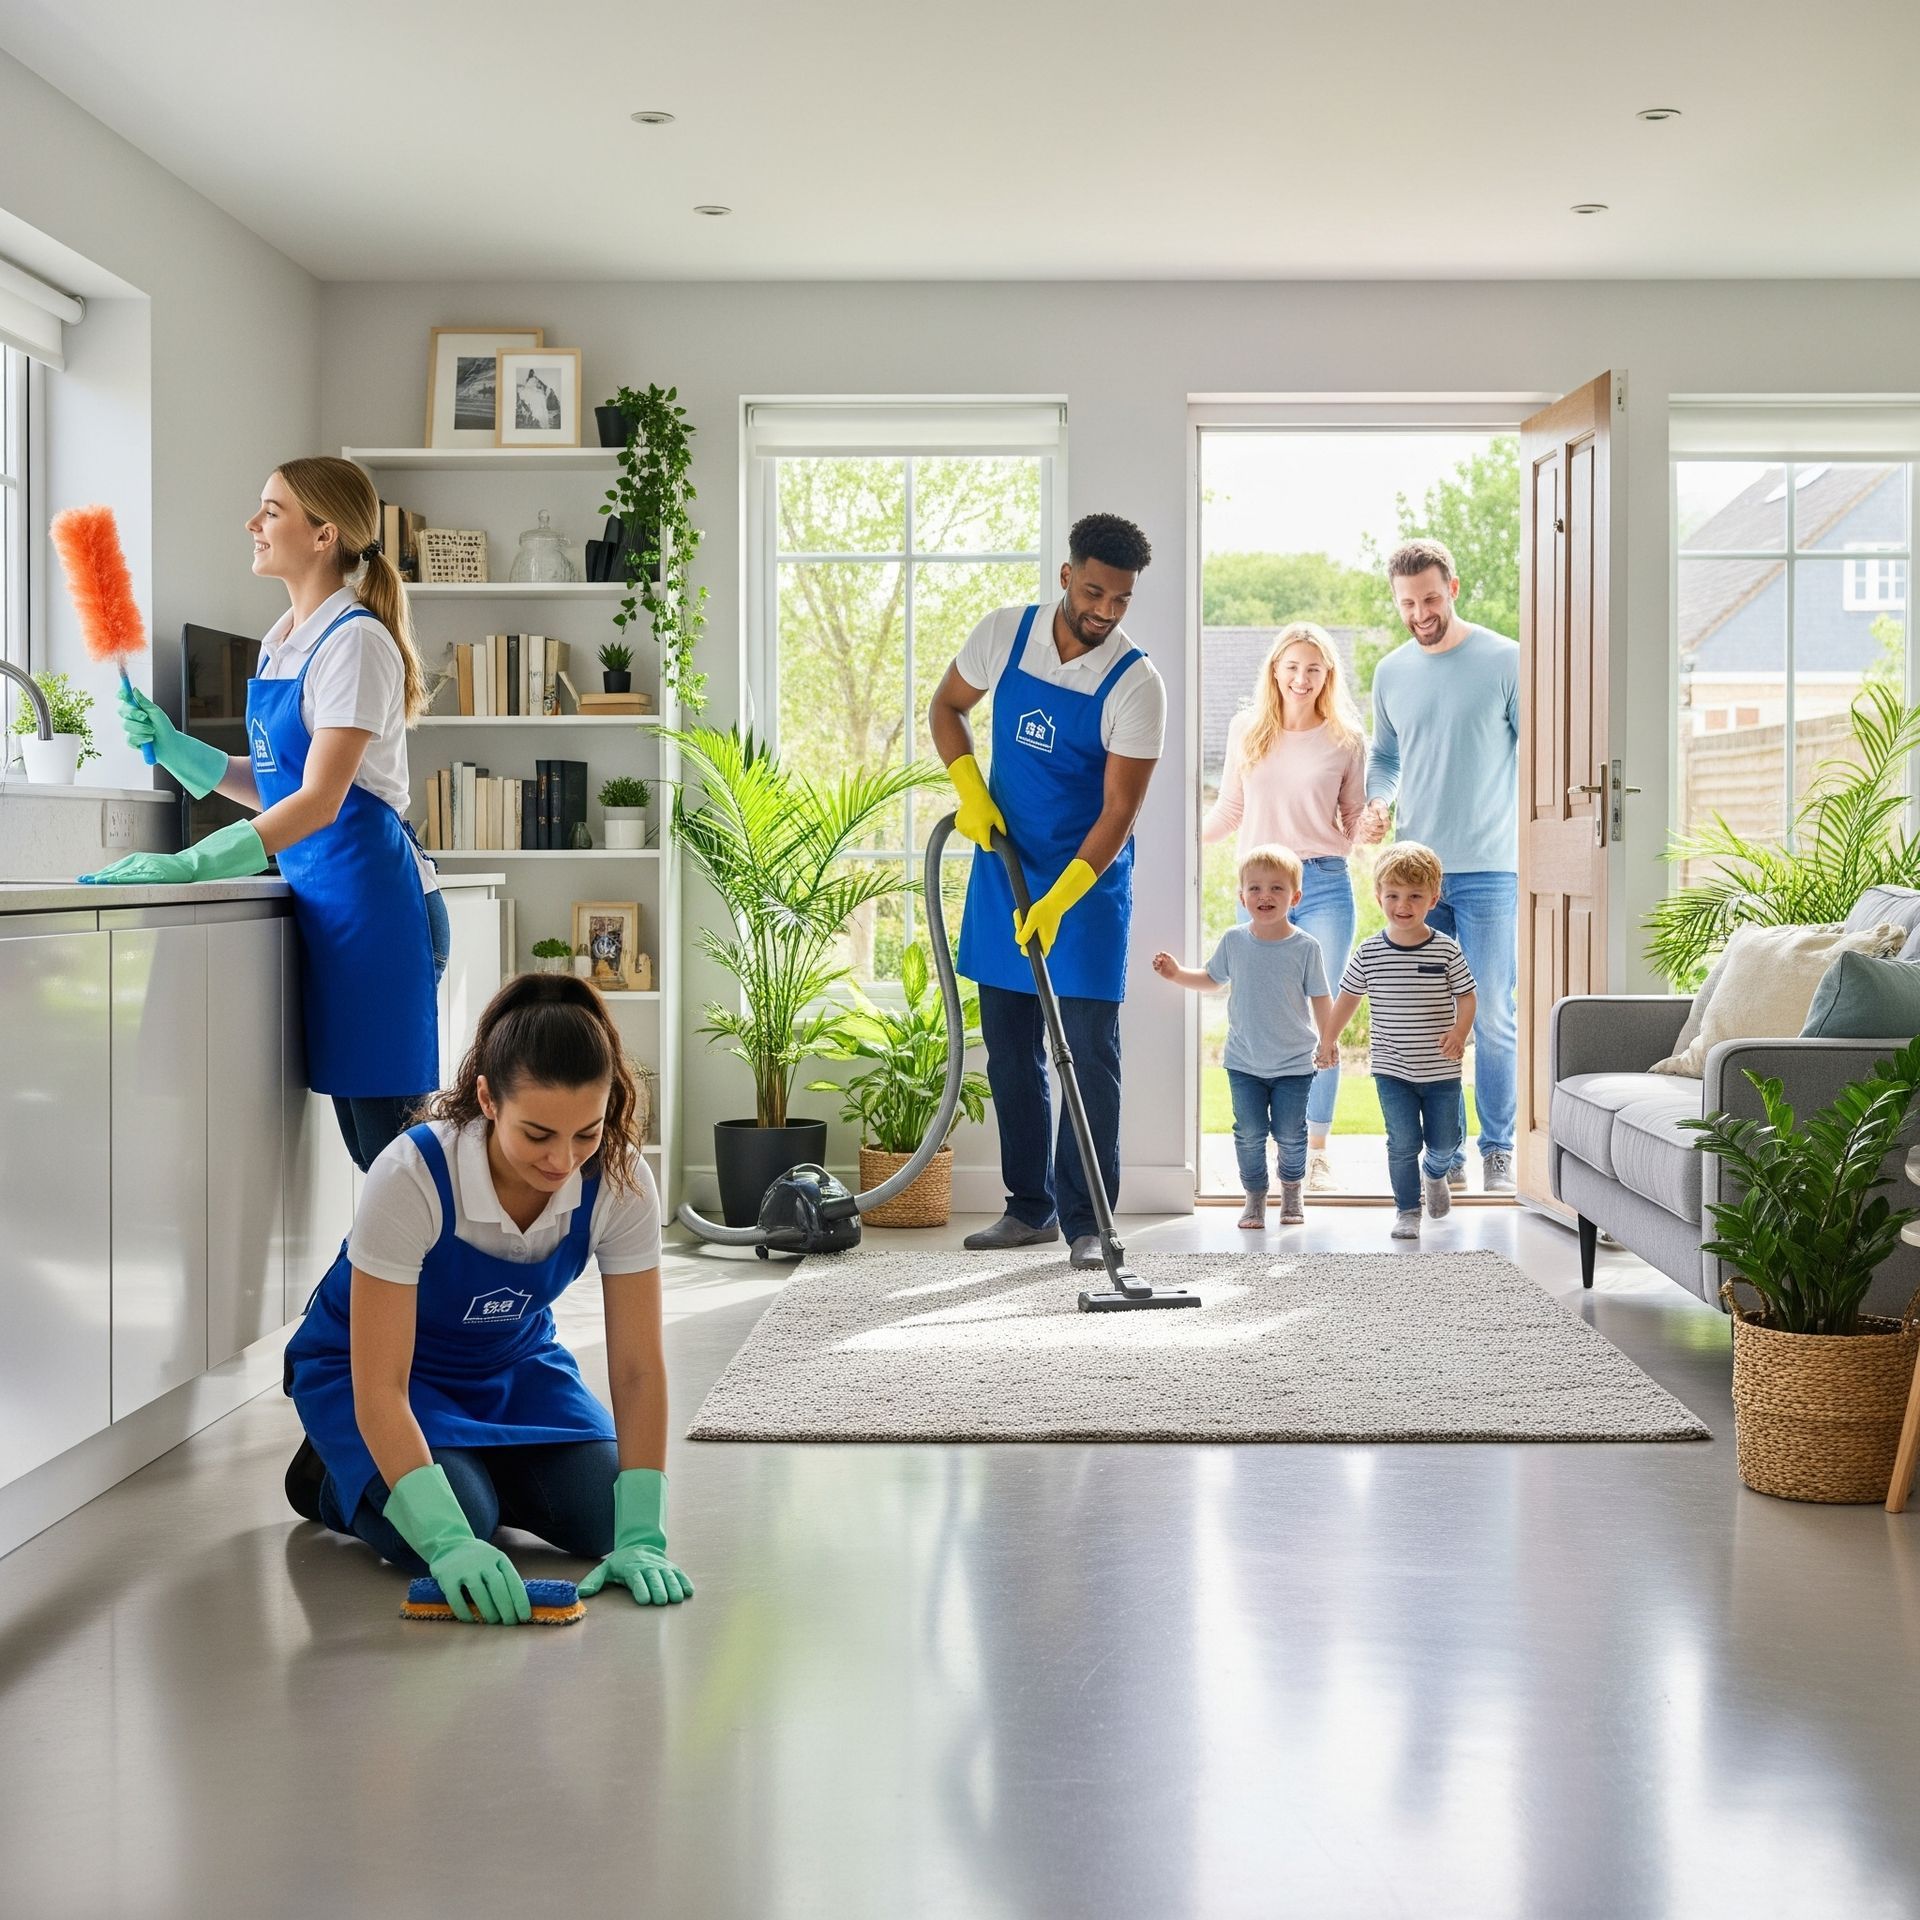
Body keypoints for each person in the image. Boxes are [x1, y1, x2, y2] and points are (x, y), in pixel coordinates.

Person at [282, 973, 693, 1622]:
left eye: (585, 1132)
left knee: (605, 1517)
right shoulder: (412, 1175)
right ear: (488, 1100)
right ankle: (335, 1479)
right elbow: (380, 1383)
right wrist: (446, 1539)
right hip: (380, 1374)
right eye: (538, 1135)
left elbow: (639, 1367)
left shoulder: (618, 1178)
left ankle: (467, 1466)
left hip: (512, 1365)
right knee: (463, 1521)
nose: (563, 1162)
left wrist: (644, 1533)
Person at [88, 456, 445, 1173]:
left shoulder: (356, 643)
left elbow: (322, 800)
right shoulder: (285, 639)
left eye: (272, 511)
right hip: (336, 913)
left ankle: (453, 1288)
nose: (253, 524)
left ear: (324, 536)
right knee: (374, 1163)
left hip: (380, 918)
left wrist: (195, 862)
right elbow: (283, 783)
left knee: (398, 1174)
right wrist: (173, 744)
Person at [931, 513, 1165, 1271]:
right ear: (1066, 575)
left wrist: (1062, 898)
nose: (1104, 611)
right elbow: (947, 707)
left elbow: (1120, 810)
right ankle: (1027, 1208)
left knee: (1090, 1054)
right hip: (1006, 871)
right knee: (1010, 1050)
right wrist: (969, 784)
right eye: (1094, 592)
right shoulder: (1005, 633)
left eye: (1120, 601)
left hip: (1085, 889)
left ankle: (1088, 1220)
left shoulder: (1137, 683)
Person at [1359, 537, 1518, 1194]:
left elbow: (1540, 756)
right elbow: (1387, 758)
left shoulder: (1506, 659)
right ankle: (1443, 1159)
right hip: (1417, 877)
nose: (1420, 612)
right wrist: (1377, 800)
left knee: (1489, 1015)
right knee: (1424, 1020)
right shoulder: (1391, 672)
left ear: (1453, 588)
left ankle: (1500, 1150)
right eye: (1407, 602)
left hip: (1489, 870)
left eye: (1429, 598)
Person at [1202, 622, 1367, 1192]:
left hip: (1322, 881)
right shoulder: (1247, 729)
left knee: (1322, 1016)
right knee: (1257, 1008)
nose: (1301, 678)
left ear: (1328, 676)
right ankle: (1257, 1147)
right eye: (1292, 666)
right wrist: (1177, 842)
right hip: (1261, 885)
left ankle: (1314, 1150)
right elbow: (1227, 812)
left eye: (1313, 669)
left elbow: (1352, 821)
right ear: (1275, 669)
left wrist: (1370, 824)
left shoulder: (1346, 738)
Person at [1152, 844, 1339, 1231]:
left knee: (1290, 1133)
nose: (1264, 896)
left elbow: (1322, 997)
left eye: (1275, 888)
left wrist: (1328, 1040)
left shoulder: (1306, 948)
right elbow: (1210, 978)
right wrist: (1177, 974)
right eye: (1254, 888)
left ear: (1295, 896)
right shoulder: (1235, 941)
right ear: (1242, 897)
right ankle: (1254, 1196)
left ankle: (1291, 1190)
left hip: (1293, 1064)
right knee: (1249, 1133)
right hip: (1244, 1062)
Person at [1325, 842, 1476, 1241]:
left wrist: (1460, 1033)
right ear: (1378, 896)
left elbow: (1467, 996)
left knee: (1445, 1141)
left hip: (1441, 1068)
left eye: (1414, 896)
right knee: (1402, 1142)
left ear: (1433, 898)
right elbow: (1347, 999)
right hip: (1392, 1068)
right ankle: (1407, 1209)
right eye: (1392, 895)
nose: (1402, 905)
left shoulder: (1446, 949)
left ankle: (1436, 1173)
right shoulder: (1370, 952)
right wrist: (1328, 1039)